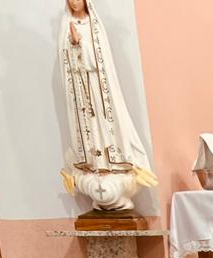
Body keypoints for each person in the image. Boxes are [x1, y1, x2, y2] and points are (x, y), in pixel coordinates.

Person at [58, 0, 156, 212]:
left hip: (99, 87)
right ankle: (94, 164)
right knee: (88, 126)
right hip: (81, 90)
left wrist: (80, 44)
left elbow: (99, 58)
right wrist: (73, 44)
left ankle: (110, 163)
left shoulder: (94, 25)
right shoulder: (66, 26)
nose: (74, 2)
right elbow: (66, 61)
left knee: (103, 124)